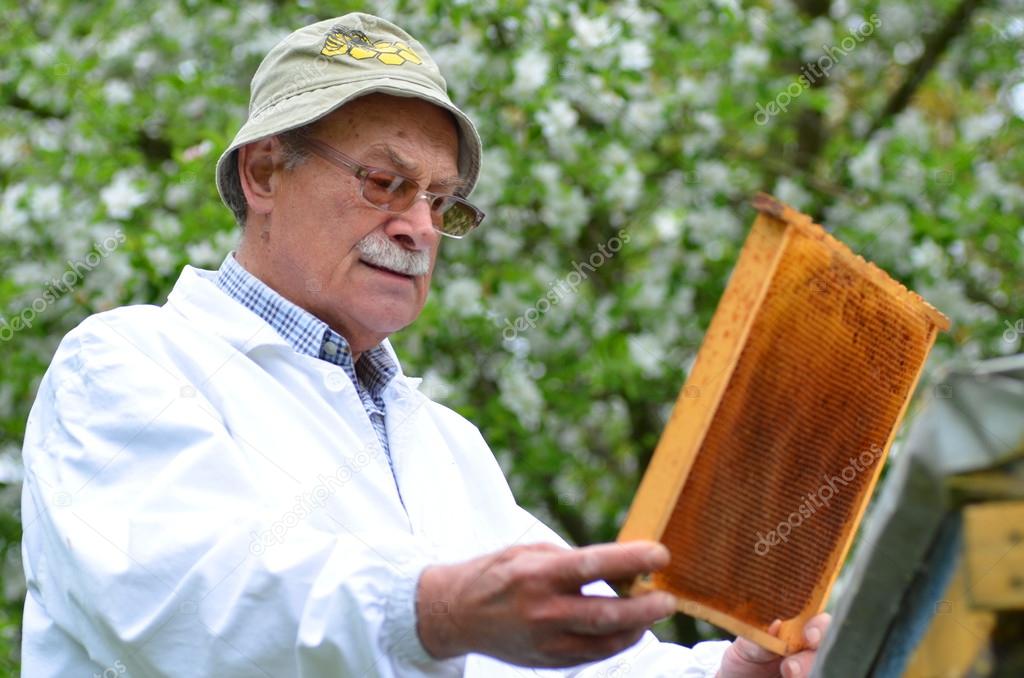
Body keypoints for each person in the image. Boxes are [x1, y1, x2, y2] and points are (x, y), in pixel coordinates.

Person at [19, 12, 829, 677]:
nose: (418, 226)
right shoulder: (127, 363)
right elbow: (191, 612)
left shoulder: (446, 444)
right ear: (265, 174)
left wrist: (731, 673)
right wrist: (434, 611)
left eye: (442, 201)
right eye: (385, 182)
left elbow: (578, 660)